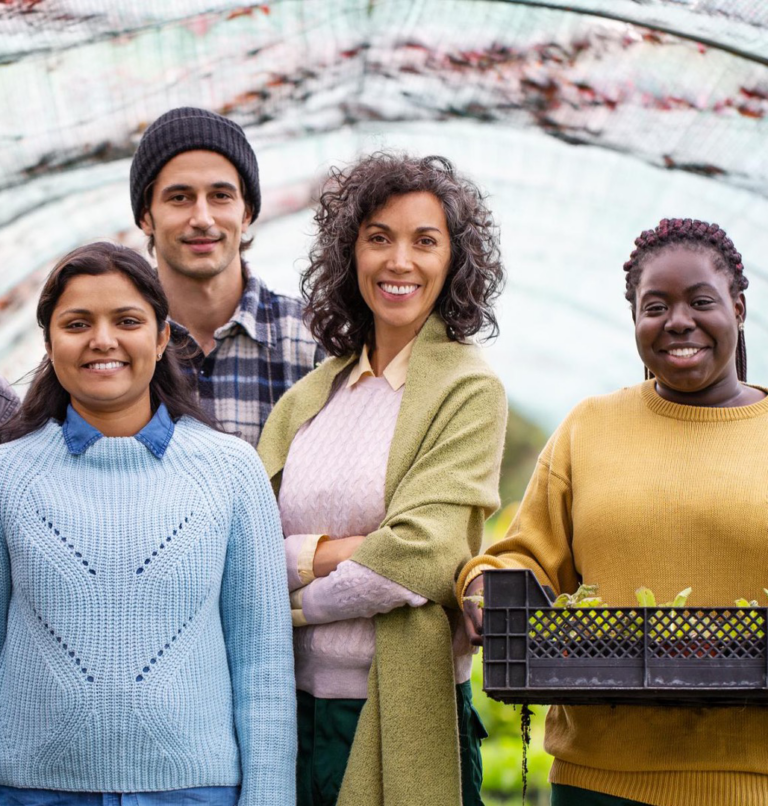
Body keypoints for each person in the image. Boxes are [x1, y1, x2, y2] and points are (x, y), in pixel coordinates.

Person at [460, 218, 768, 806]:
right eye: (656, 306)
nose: (679, 321)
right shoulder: (590, 428)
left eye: (701, 301)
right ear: (635, 320)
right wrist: (484, 586)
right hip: (598, 781)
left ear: (739, 307)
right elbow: (525, 555)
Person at [0, 242, 295, 805]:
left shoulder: (231, 471)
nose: (102, 340)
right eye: (77, 323)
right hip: (30, 793)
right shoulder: (7, 475)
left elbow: (263, 670)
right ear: (49, 342)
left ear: (162, 338)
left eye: (127, 321)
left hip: (194, 793)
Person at [258, 153, 507, 806]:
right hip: (292, 712)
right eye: (378, 238)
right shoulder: (312, 396)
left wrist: (293, 604)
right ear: (351, 255)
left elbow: (418, 558)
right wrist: (336, 551)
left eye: (425, 241)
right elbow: (245, 547)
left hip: (393, 705)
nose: (400, 261)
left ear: (454, 260)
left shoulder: (467, 388)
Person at [130, 106, 323, 448]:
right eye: (180, 198)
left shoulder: (311, 341)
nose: (202, 218)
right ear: (146, 216)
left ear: (246, 212)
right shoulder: (117, 343)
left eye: (220, 196)